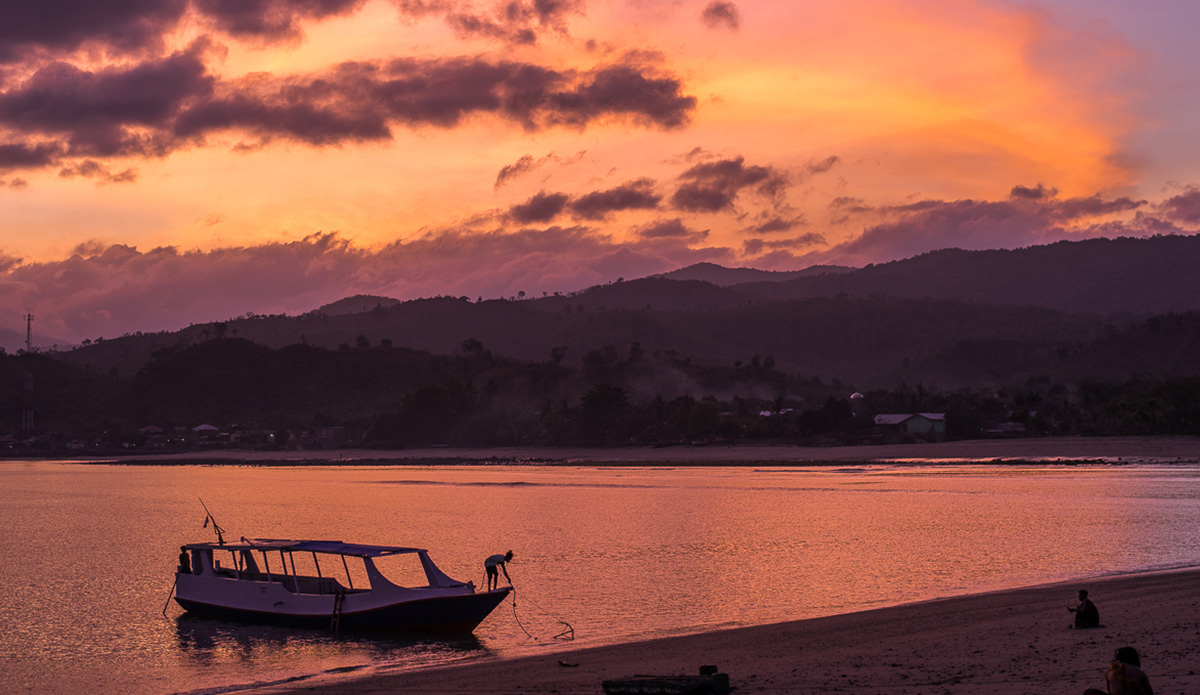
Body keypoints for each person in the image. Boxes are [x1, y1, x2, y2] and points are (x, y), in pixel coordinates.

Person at [1083, 646, 1154, 695]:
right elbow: (1149, 693)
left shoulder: (1110, 672)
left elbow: (1111, 692)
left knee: (1088, 691)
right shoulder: (1139, 672)